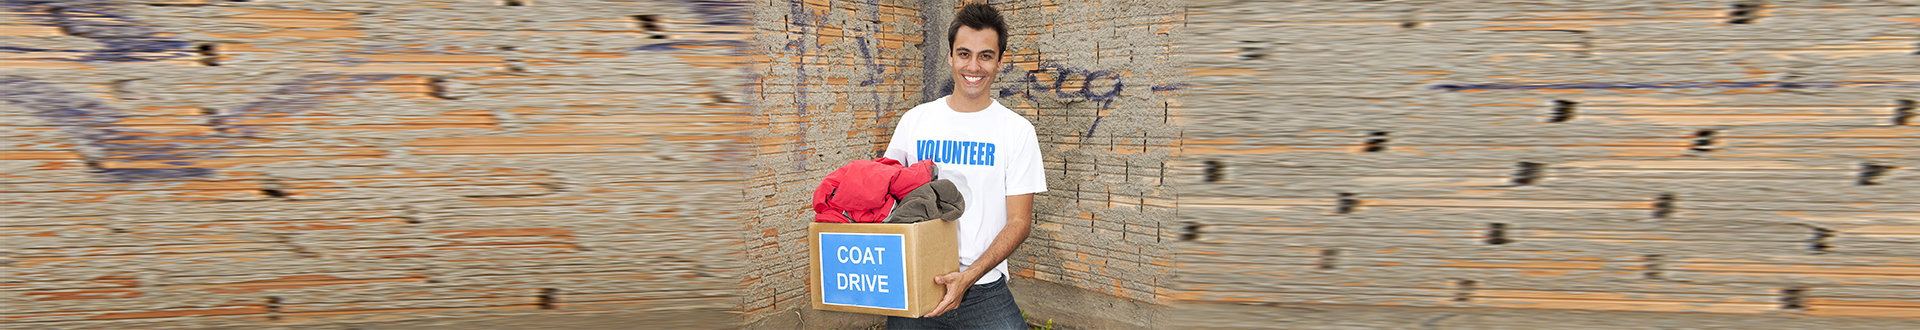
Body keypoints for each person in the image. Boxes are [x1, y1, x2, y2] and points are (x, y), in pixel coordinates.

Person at [881, 3, 1044, 329]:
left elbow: (1019, 221)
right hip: (916, 277)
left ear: (999, 61)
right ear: (952, 57)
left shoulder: (1017, 131)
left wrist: (967, 277)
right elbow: (883, 192)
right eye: (964, 53)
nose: (974, 65)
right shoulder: (915, 121)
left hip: (982, 286)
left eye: (985, 55)